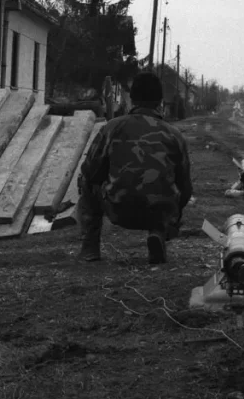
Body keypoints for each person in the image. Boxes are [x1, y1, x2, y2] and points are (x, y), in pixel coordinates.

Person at [75, 71, 193, 264]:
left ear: (132, 98)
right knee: (173, 190)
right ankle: (159, 233)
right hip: (160, 212)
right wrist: (173, 214)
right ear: (160, 101)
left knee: (86, 180)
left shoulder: (112, 128)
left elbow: (90, 170)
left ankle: (90, 246)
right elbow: (186, 187)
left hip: (119, 210)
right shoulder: (174, 135)